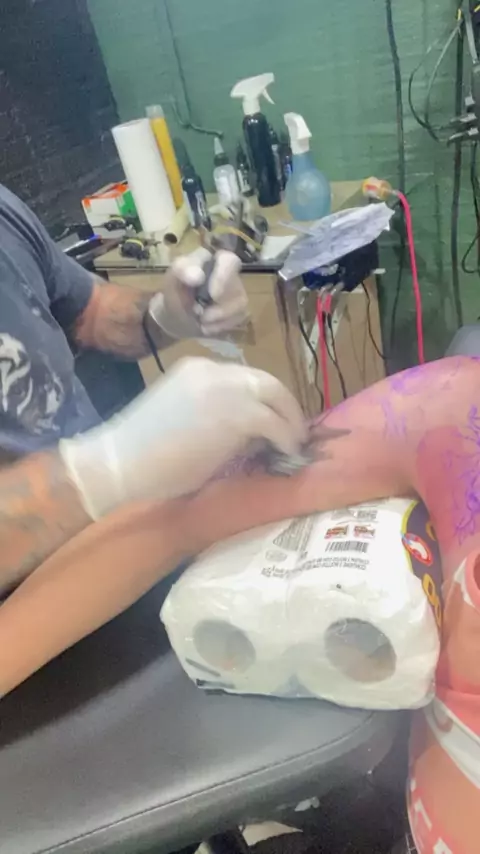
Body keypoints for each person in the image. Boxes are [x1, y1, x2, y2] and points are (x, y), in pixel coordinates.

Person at [0, 182, 306, 594]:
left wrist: (163, 314)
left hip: (116, 532)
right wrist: (105, 468)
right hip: (27, 604)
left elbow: (90, 310)